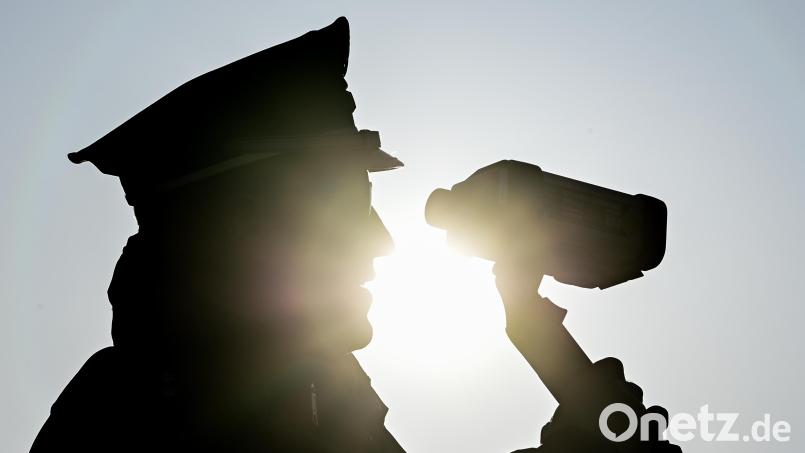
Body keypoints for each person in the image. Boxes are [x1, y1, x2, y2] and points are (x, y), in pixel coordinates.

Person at [31, 17, 681, 452]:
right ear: (243, 233)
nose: (381, 244)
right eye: (343, 211)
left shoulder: (318, 393)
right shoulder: (131, 417)